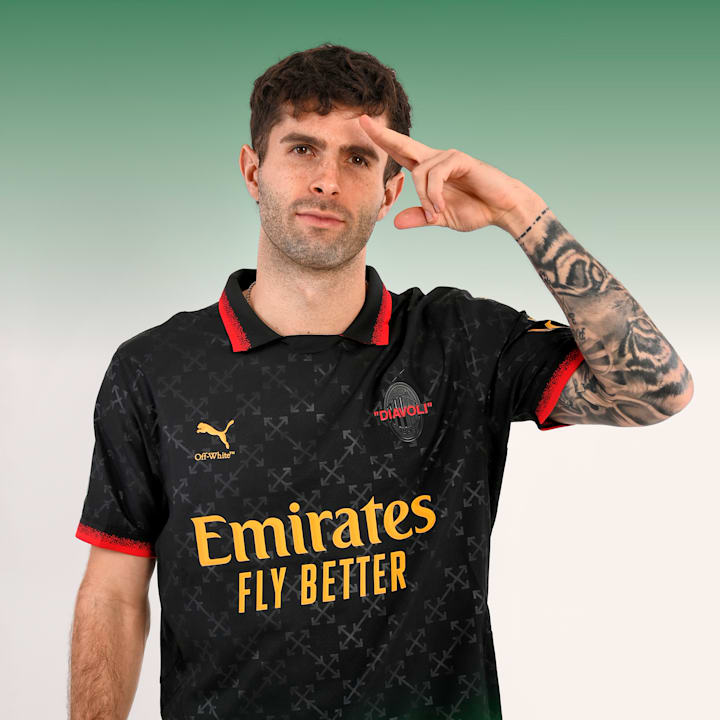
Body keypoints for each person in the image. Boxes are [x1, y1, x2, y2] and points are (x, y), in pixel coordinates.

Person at [68, 43, 693, 720]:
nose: (327, 181)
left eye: (358, 159)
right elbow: (114, 594)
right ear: (253, 171)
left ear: (392, 190)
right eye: (302, 149)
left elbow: (655, 390)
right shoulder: (154, 369)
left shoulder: (460, 342)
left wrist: (522, 212)